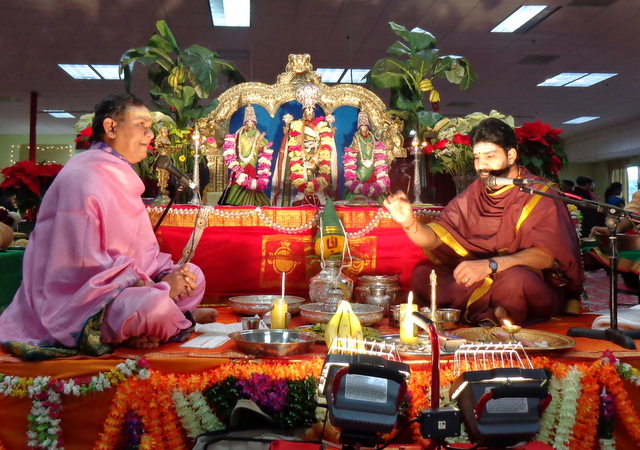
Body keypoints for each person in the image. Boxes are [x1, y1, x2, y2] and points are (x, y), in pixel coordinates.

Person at [0, 94, 217, 360]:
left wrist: (165, 275)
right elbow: (81, 265)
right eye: (141, 125)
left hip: (127, 284)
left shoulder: (119, 172)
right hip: (82, 299)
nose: (150, 135)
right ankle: (167, 318)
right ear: (111, 127)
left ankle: (157, 320)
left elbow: (142, 252)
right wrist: (159, 288)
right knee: (152, 307)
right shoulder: (84, 176)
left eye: (150, 127)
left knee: (194, 276)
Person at [384, 118, 584, 326]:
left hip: (525, 277)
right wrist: (409, 223)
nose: (482, 165)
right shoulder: (474, 193)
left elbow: (546, 257)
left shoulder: (538, 193)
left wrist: (490, 265)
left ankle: (489, 313)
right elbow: (435, 238)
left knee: (515, 281)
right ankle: (494, 312)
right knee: (424, 274)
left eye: (490, 156)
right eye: (477, 157)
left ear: (511, 155)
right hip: (481, 276)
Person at [271, 82, 339, 206]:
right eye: (307, 109)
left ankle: (318, 193)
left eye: (311, 109)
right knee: (302, 173)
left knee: (316, 172)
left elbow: (326, 143)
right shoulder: (297, 126)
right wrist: (289, 135)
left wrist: (328, 135)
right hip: (302, 154)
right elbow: (291, 143)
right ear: (303, 112)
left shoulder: (320, 127)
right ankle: (303, 192)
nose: (309, 111)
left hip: (317, 154)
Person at [221, 104, 274, 206]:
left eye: (251, 122)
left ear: (254, 123)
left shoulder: (258, 134)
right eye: (248, 122)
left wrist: (262, 146)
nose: (249, 124)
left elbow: (263, 146)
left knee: (251, 179)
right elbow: (234, 146)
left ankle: (252, 203)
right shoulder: (239, 134)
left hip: (252, 161)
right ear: (245, 123)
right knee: (240, 178)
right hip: (241, 162)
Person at [342, 111, 390, 204]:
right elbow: (350, 153)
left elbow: (378, 152)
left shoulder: (373, 139)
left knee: (375, 182)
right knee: (360, 176)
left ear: (368, 128)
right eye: (362, 128)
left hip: (372, 166)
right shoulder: (356, 139)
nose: (363, 130)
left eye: (365, 127)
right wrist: (354, 149)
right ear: (359, 129)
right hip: (361, 166)